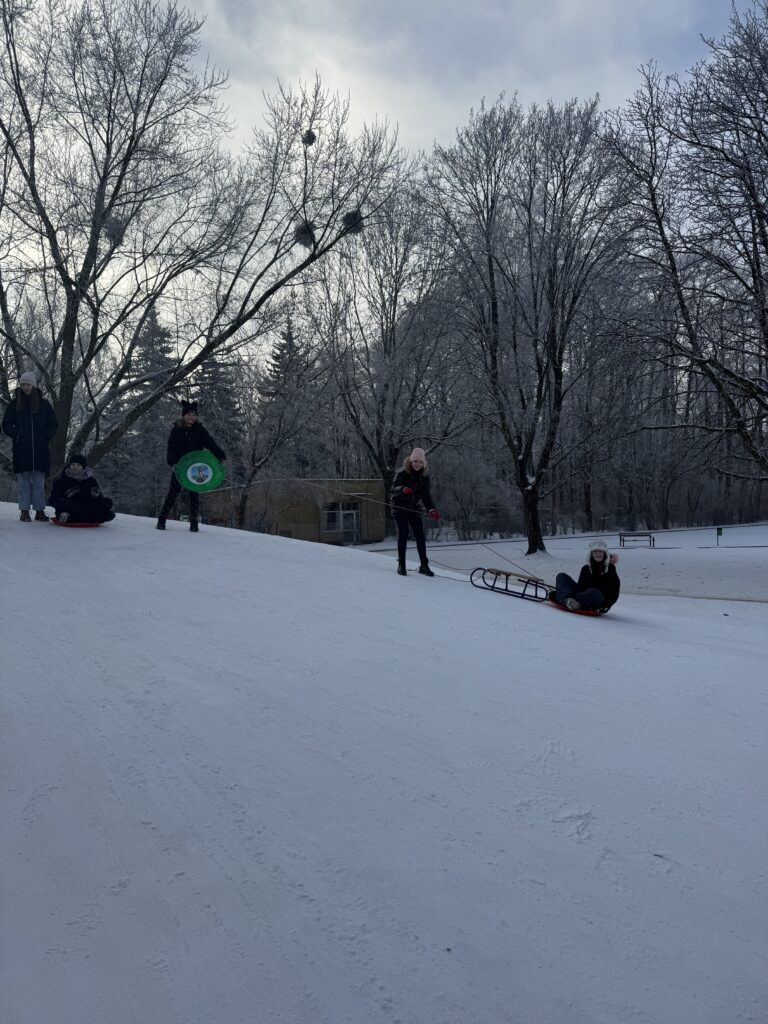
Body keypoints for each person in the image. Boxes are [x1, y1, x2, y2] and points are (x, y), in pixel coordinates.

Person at [156, 400, 226, 532]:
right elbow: (171, 449)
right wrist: (172, 463)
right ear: (183, 415)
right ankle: (161, 520)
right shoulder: (176, 430)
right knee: (172, 493)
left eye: (194, 415)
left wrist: (220, 455)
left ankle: (194, 524)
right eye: (189, 414)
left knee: (194, 494)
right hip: (180, 468)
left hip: (196, 468)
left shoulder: (200, 430)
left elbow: (210, 443)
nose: (191, 417)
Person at [1, 371, 59, 521]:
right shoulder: (15, 404)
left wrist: (45, 436)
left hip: (40, 450)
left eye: (27, 384)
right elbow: (6, 424)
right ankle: (24, 511)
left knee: (39, 482)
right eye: (22, 384)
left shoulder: (44, 404)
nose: (25, 387)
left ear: (33, 385)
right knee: (23, 482)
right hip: (21, 449)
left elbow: (53, 424)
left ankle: (40, 511)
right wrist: (16, 434)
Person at [390, 446, 440, 576]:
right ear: (411, 461)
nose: (418, 464)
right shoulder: (401, 473)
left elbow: (426, 496)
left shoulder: (424, 477)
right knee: (404, 533)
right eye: (415, 461)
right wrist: (402, 489)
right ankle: (401, 565)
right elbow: (393, 490)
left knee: (420, 535)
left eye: (420, 462)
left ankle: (424, 565)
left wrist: (431, 509)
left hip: (413, 508)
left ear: (424, 463)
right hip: (399, 507)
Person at [554, 539, 620, 612]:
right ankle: (566, 600)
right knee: (561, 576)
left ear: (605, 553)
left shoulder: (610, 570)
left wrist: (605, 606)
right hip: (581, 596)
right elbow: (580, 586)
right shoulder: (586, 568)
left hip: (597, 600)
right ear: (591, 554)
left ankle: (577, 604)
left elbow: (614, 593)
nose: (598, 553)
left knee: (593, 592)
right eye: (595, 551)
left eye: (600, 551)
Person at [49, 454, 115, 523]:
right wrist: (66, 496)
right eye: (73, 464)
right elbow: (52, 500)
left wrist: (96, 495)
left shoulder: (91, 480)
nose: (75, 467)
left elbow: (99, 499)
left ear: (83, 467)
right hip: (70, 507)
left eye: (78, 465)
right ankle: (98, 517)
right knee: (69, 504)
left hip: (87, 506)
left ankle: (76, 517)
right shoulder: (61, 481)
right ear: (69, 465)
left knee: (107, 502)